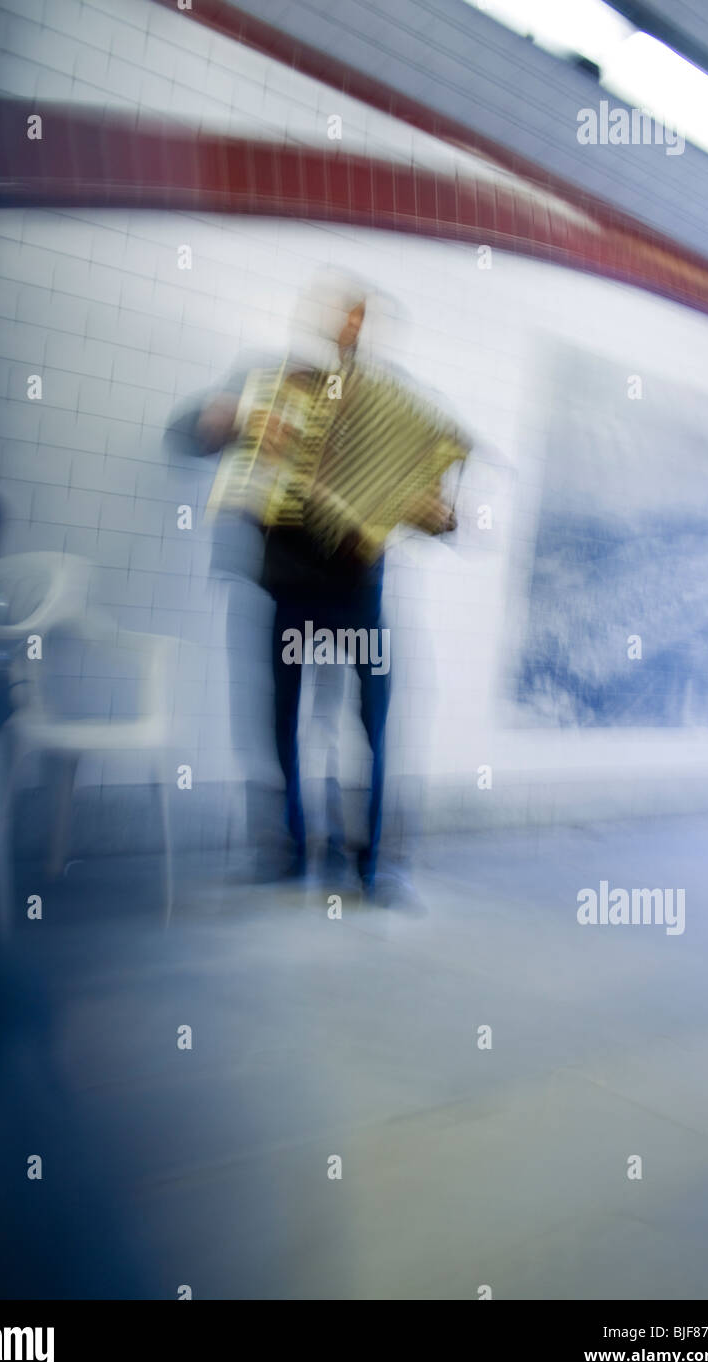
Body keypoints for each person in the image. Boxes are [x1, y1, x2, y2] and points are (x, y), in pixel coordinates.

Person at [166, 272, 457, 902]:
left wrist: (440, 515)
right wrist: (226, 422)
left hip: (359, 589)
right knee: (278, 718)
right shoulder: (270, 382)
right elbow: (186, 433)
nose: (350, 328)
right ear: (320, 321)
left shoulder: (399, 402)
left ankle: (376, 864)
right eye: (342, 315)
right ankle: (290, 849)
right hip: (289, 582)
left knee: (376, 725)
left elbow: (439, 511)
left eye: (363, 318)